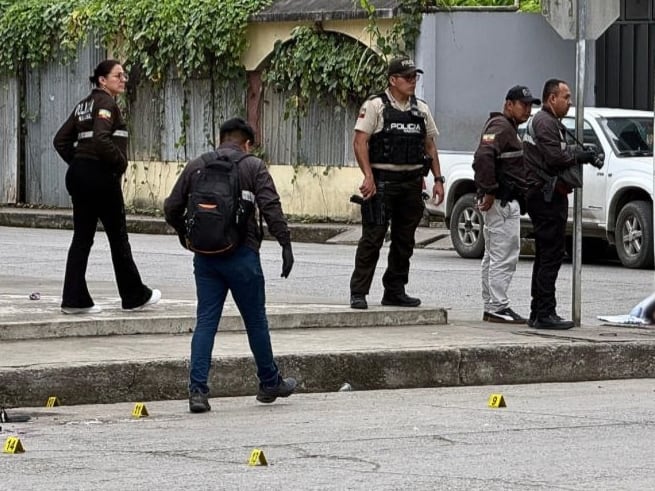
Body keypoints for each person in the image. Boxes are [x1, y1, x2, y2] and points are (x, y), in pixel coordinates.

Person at [164, 117, 296, 413]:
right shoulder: (253, 166)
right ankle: (268, 382)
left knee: (206, 322)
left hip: (205, 257)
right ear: (247, 143)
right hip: (242, 256)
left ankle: (197, 392)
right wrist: (285, 243)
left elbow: (171, 207)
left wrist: (185, 236)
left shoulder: (197, 165)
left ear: (220, 138)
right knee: (255, 321)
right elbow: (271, 207)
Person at [53, 59, 160, 314]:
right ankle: (134, 296)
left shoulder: (83, 105)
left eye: (123, 75)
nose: (123, 79)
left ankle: (74, 299)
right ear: (102, 80)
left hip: (80, 176)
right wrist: (119, 164)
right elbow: (101, 139)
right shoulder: (106, 103)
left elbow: (60, 140)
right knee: (118, 237)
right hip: (100, 178)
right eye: (118, 76)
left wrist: (79, 162)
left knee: (82, 238)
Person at [349, 56, 445, 310]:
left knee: (405, 241)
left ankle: (395, 289)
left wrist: (437, 178)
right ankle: (358, 292)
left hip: (412, 183)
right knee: (373, 238)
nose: (413, 81)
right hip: (382, 182)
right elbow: (360, 142)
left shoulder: (421, 109)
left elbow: (430, 145)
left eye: (415, 77)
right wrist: (368, 176)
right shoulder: (375, 106)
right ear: (393, 80)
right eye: (407, 77)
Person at [523, 78, 598, 329]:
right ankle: (544, 313)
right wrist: (580, 156)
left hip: (548, 195)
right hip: (545, 197)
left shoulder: (550, 122)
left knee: (546, 254)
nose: (569, 102)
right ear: (551, 98)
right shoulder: (544, 122)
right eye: (566, 97)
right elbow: (555, 158)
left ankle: (539, 311)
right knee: (551, 255)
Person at [473, 85, 540, 323]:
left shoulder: (507, 128)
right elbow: (483, 157)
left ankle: (493, 305)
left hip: (502, 202)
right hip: (501, 202)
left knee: (494, 255)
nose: (528, 110)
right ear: (508, 104)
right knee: (504, 255)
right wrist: (489, 191)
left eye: (530, 105)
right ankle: (497, 307)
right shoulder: (500, 127)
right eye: (523, 105)